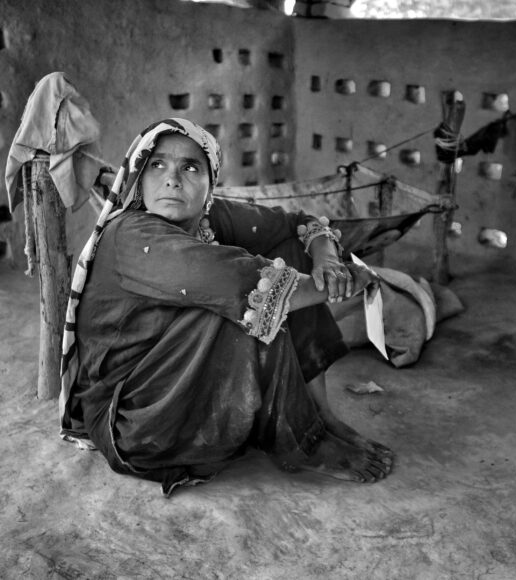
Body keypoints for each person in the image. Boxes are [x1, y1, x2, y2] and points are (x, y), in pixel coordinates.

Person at [58, 118, 393, 495]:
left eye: (190, 167)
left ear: (210, 183)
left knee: (287, 253)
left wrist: (328, 261)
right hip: (138, 419)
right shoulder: (131, 235)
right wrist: (351, 280)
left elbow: (297, 223)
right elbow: (242, 284)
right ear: (139, 176)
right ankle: (304, 443)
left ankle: (320, 415)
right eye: (157, 165)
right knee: (243, 299)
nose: (172, 179)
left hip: (180, 381)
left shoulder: (206, 216)